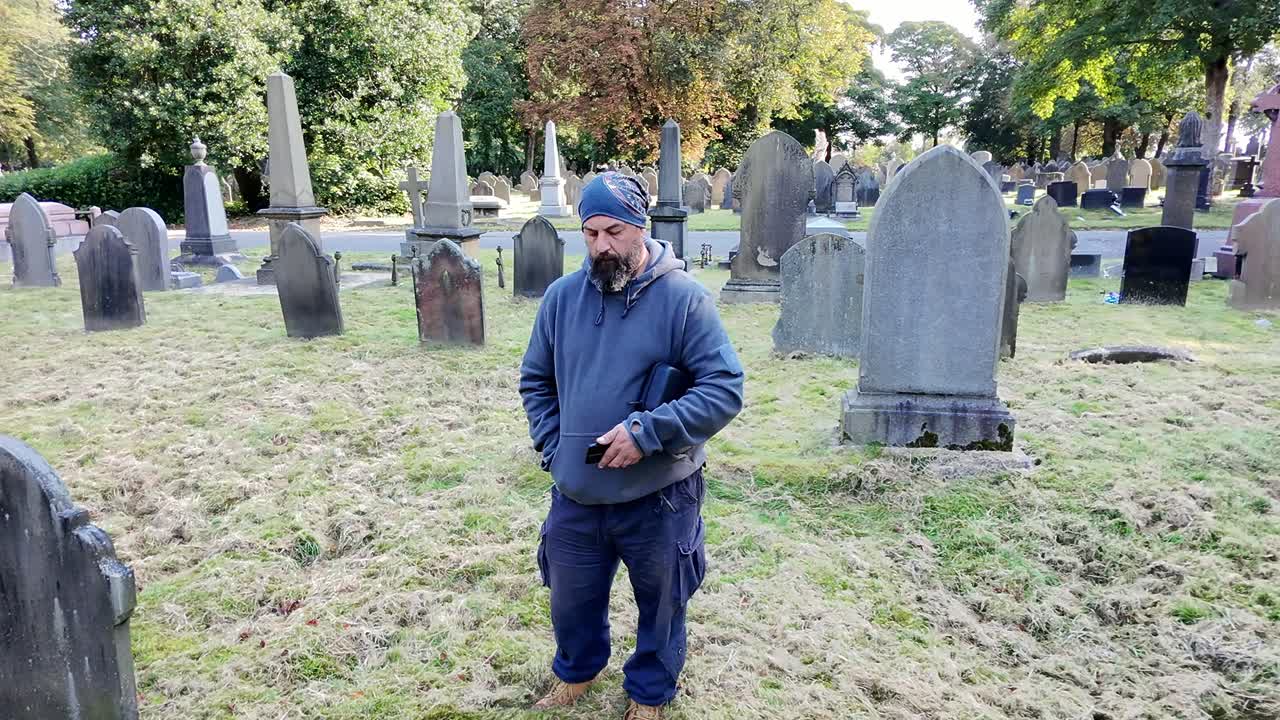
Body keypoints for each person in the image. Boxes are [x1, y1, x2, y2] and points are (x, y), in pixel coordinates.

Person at [519, 172, 745, 719]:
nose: (601, 245)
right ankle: (577, 672)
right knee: (570, 601)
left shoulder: (684, 300)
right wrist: (555, 449)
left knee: (662, 607)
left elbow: (724, 389)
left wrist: (648, 433)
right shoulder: (561, 299)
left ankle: (649, 694)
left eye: (614, 232)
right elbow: (536, 382)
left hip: (659, 497)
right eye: (590, 233)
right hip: (577, 495)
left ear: (640, 227)